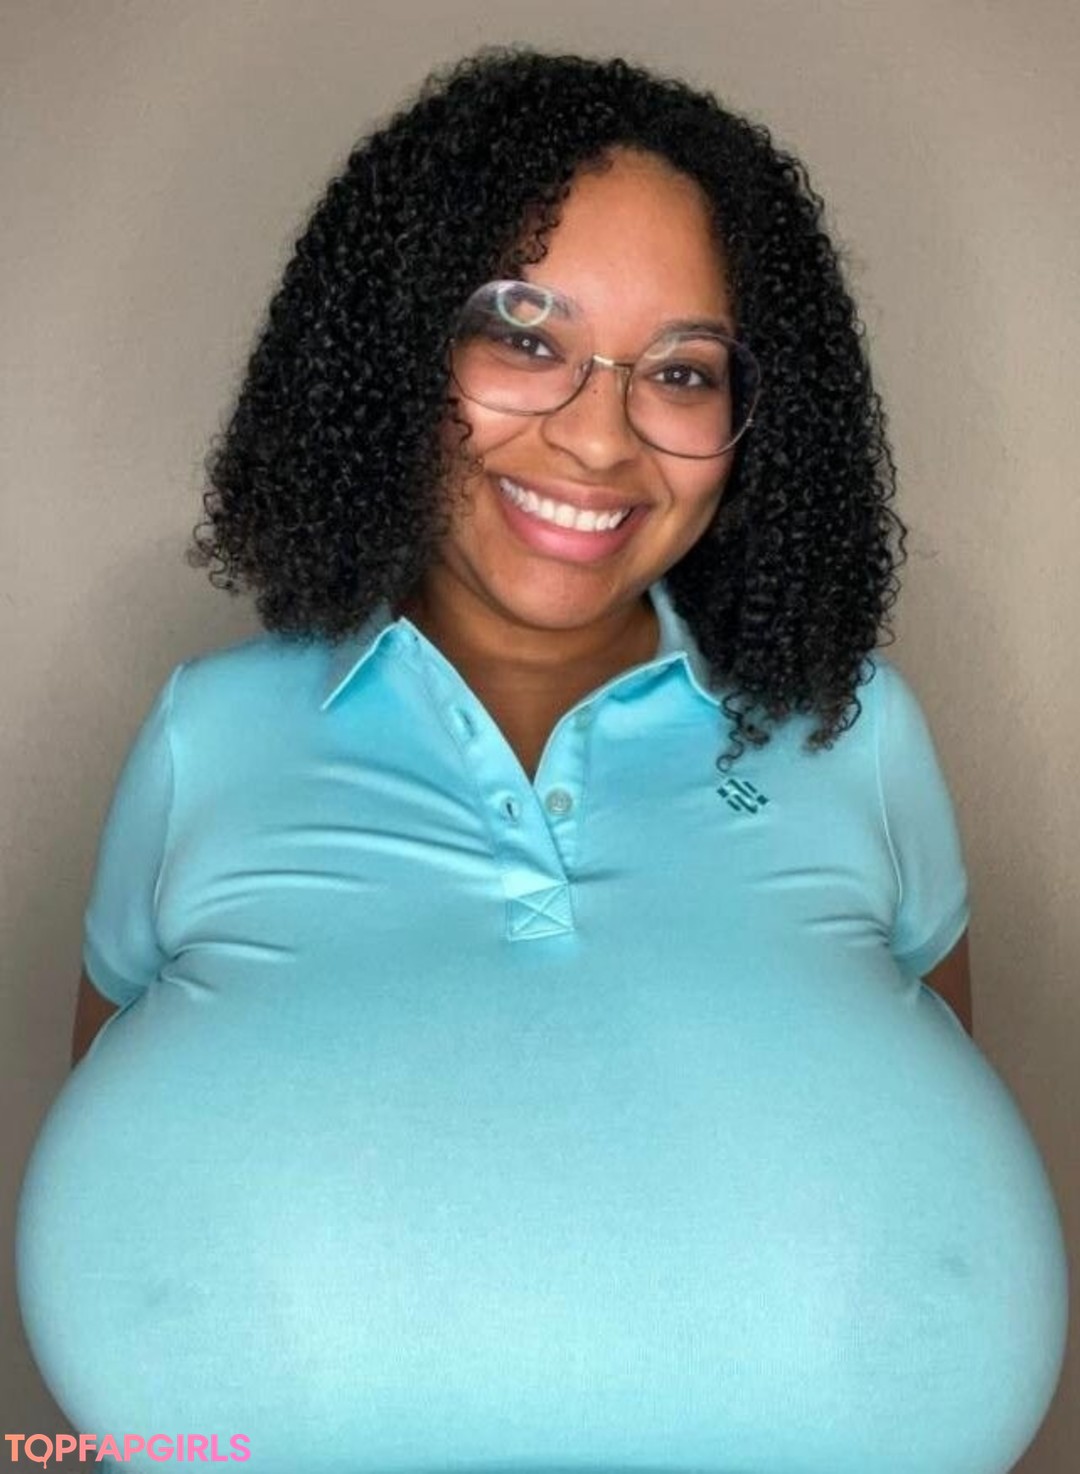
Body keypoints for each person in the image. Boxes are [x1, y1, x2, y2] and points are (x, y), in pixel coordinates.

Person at [16, 46, 1067, 1474]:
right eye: (523, 337)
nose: (597, 437)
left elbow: (930, 1090)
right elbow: (119, 1105)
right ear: (396, 354)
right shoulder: (210, 731)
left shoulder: (855, 726)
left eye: (682, 372)